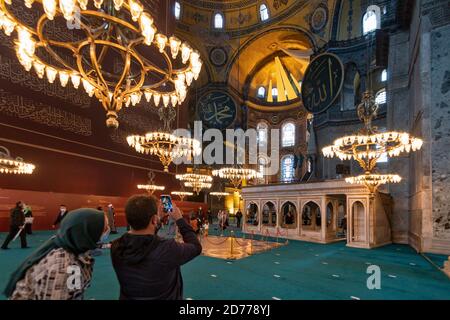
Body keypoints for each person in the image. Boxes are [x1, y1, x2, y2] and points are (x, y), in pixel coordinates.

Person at [110, 195, 202, 300]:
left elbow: (143, 241)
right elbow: (195, 246)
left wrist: (157, 220)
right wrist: (179, 219)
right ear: (154, 219)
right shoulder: (166, 249)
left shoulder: (117, 246)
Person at [3, 208, 108, 300]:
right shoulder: (63, 266)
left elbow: (73, 290)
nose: (107, 231)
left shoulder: (73, 247)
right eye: (104, 229)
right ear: (87, 233)